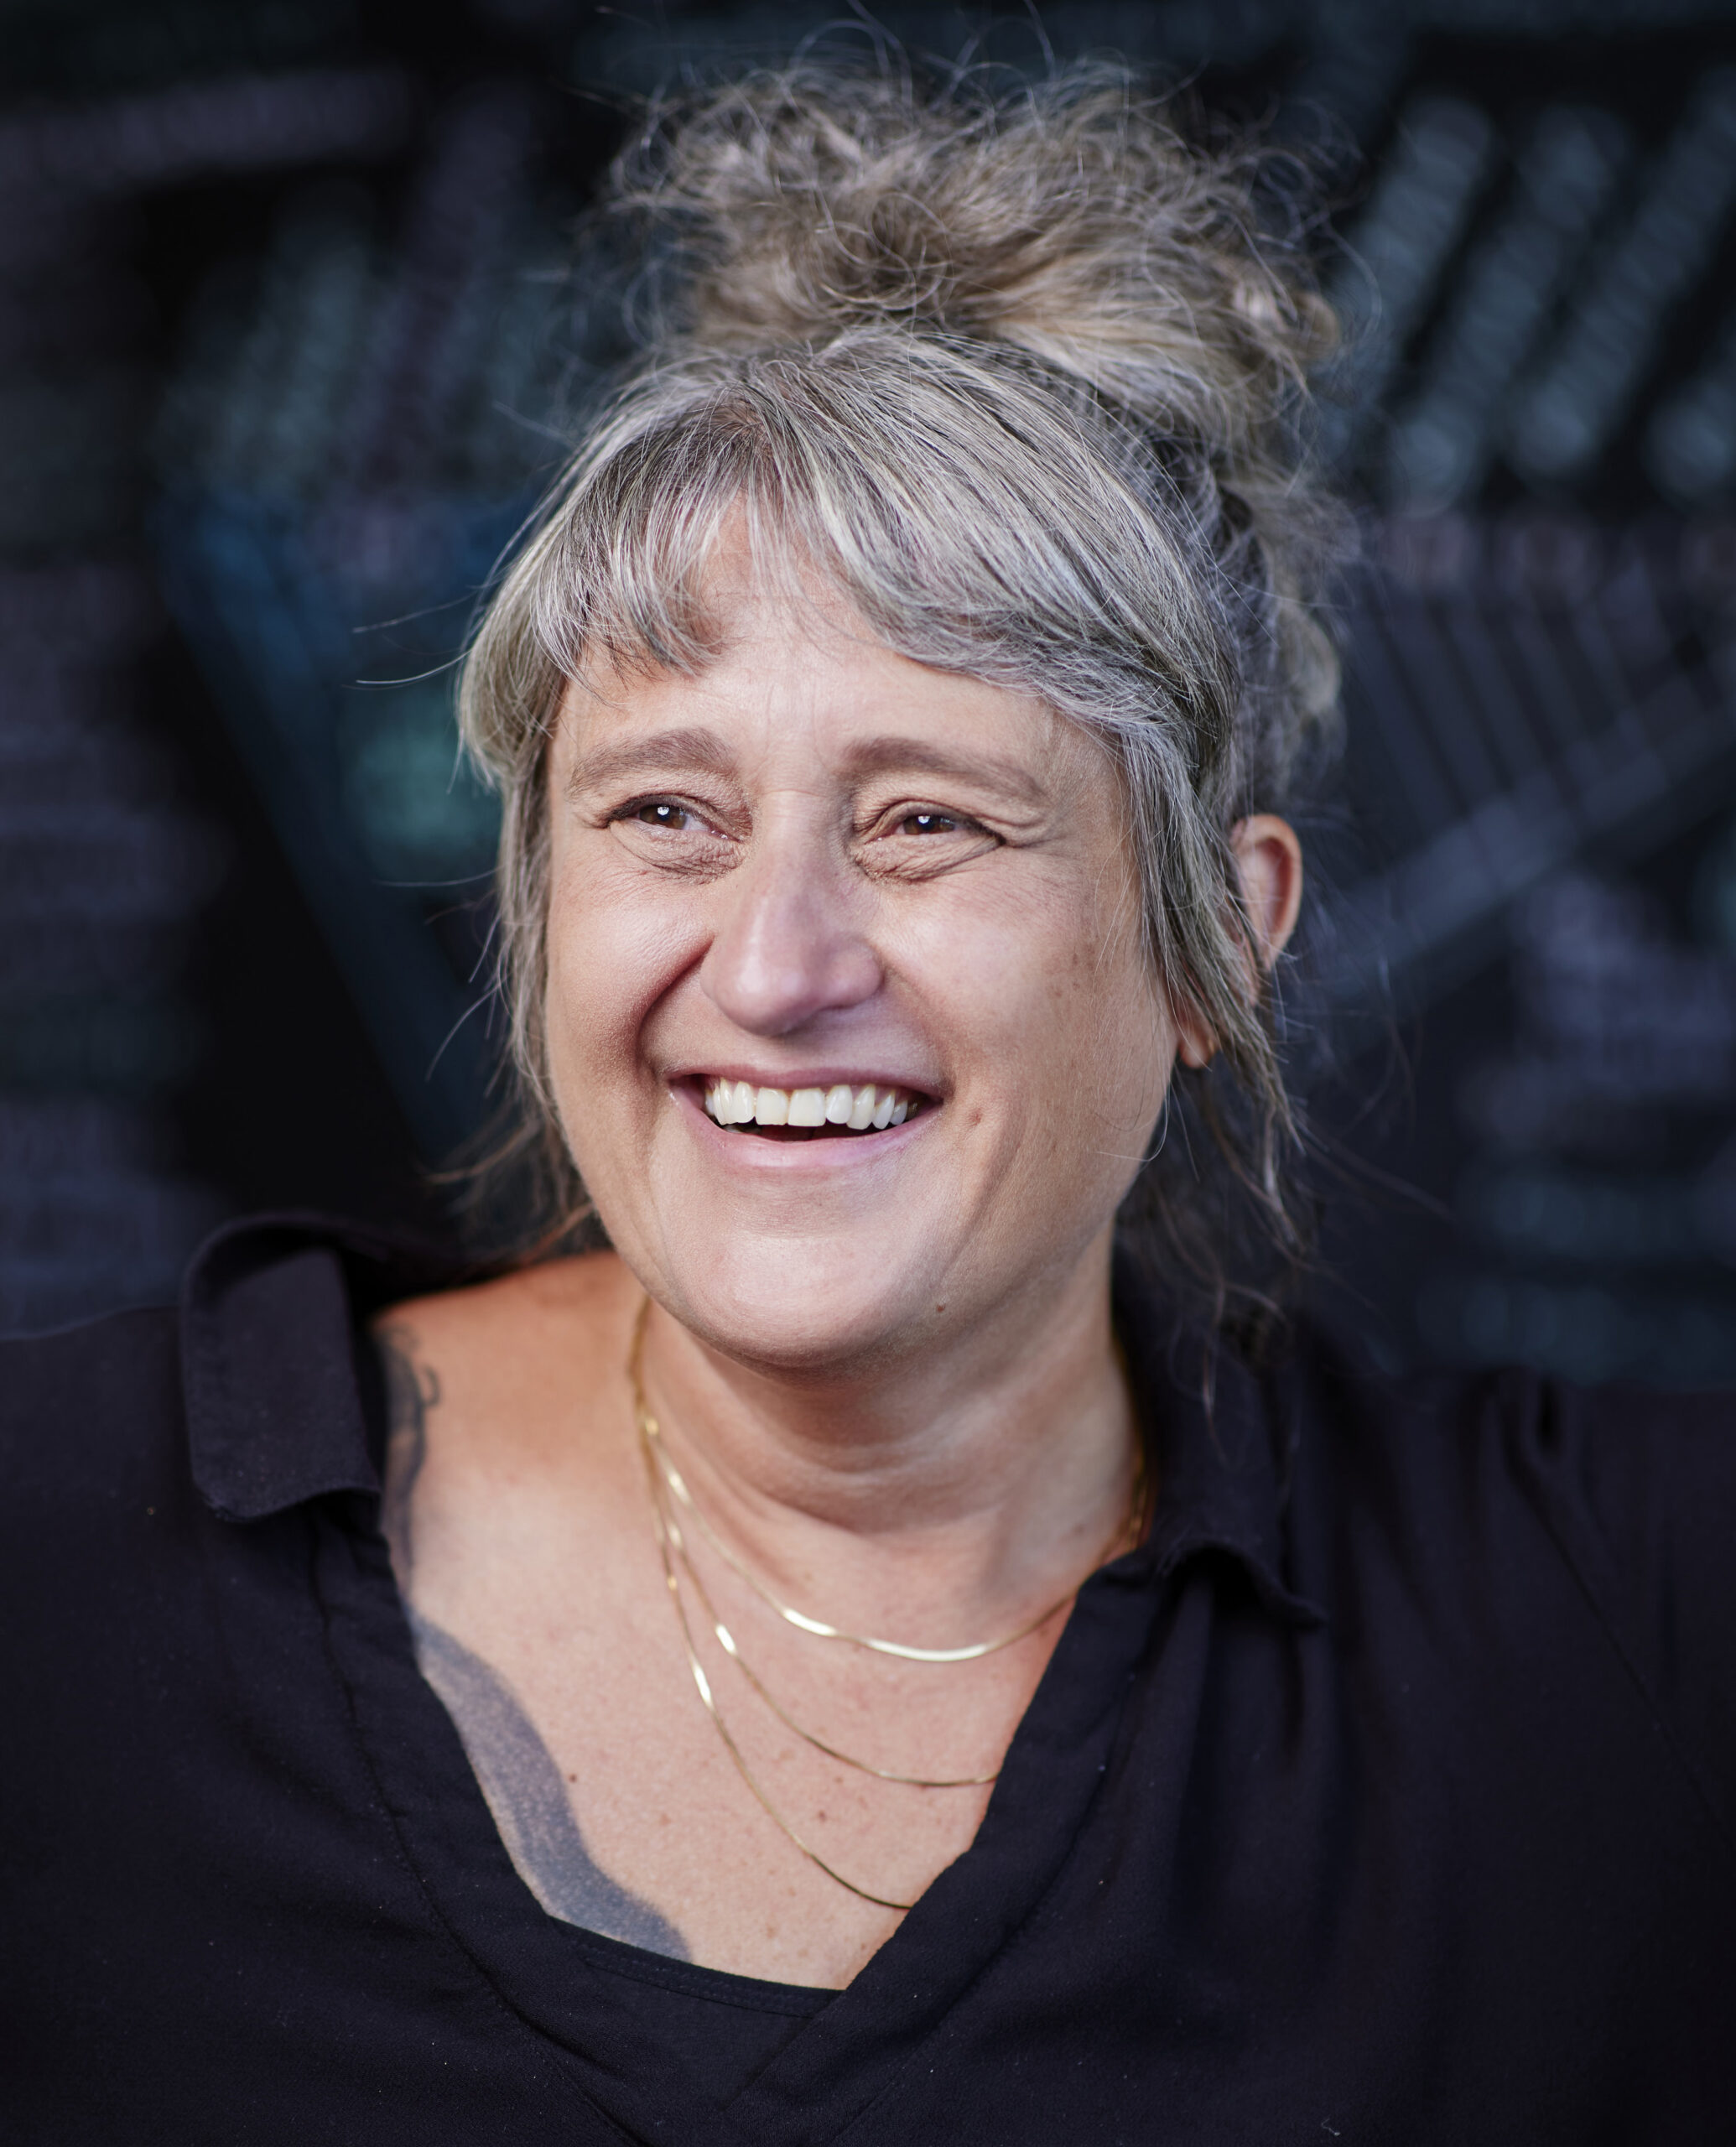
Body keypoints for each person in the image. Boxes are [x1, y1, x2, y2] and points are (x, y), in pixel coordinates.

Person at [3, 62, 1732, 2146]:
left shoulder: (1607, 1628)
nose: (775, 963)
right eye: (667, 813)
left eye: (928, 817)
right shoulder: (65, 1560)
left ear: (1222, 941)